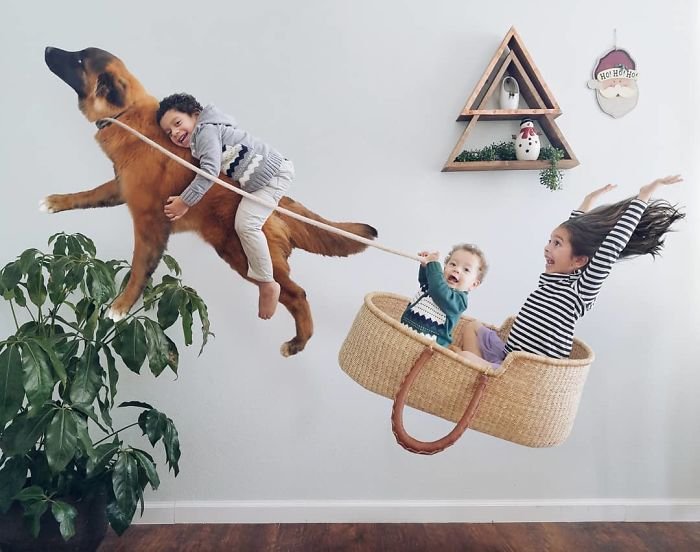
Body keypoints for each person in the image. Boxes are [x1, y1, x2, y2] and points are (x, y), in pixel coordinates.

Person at [460, 175, 684, 369]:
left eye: (556, 243)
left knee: (464, 358)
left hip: (526, 370)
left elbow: (611, 247)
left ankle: (481, 369)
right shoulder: (550, 280)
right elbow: (573, 232)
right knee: (472, 327)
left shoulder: (580, 289)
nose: (547, 247)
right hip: (506, 356)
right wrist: (588, 201)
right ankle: (481, 369)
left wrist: (643, 197)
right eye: (550, 241)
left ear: (578, 261)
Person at [156, 93, 293, 319]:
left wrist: (184, 201)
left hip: (272, 176)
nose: (176, 133)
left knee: (247, 225)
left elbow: (209, 172)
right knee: (243, 224)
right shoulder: (205, 136)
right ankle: (266, 282)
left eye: (178, 123)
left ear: (196, 116)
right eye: (169, 133)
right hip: (258, 183)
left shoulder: (205, 131)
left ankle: (267, 283)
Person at [401, 244, 488, 348]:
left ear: (473, 284)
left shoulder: (459, 301)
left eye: (466, 270)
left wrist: (433, 264)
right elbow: (426, 283)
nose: (457, 269)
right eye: (453, 264)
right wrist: (426, 266)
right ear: (445, 267)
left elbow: (439, 291)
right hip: (406, 336)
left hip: (429, 348)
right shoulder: (435, 285)